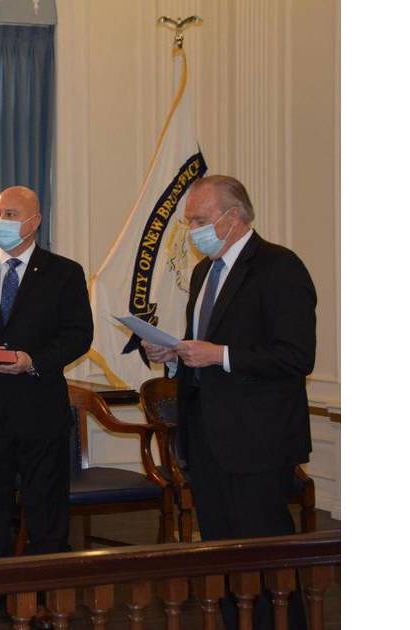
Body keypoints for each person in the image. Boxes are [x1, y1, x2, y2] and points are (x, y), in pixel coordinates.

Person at [142, 174, 314, 630]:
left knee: (265, 554)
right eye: (188, 222)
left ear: (232, 217)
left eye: (198, 220)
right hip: (206, 437)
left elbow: (297, 355)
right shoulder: (203, 272)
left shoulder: (280, 267)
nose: (191, 230)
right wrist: (174, 356)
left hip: (259, 439)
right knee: (220, 552)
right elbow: (202, 348)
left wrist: (220, 355)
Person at [0, 185, 93, 558]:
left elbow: (78, 336)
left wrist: (33, 360)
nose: (0, 222)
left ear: (34, 221)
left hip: (40, 413)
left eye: (10, 214)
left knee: (47, 518)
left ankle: (44, 605)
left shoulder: (64, 273)